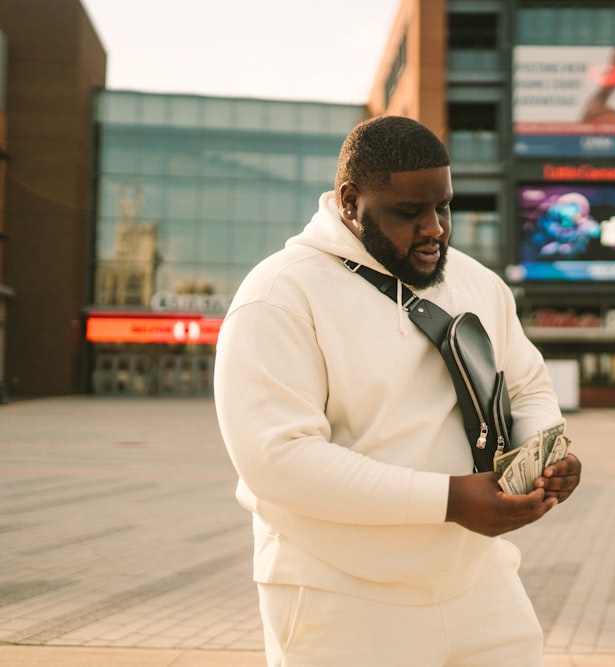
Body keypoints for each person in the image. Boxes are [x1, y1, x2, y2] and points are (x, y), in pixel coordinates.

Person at [213, 115, 582, 667]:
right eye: (408, 212)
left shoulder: (480, 284)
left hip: (478, 582)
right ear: (349, 202)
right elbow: (277, 459)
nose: (433, 228)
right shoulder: (280, 293)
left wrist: (543, 453)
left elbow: (526, 386)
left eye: (443, 207)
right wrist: (452, 500)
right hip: (338, 598)